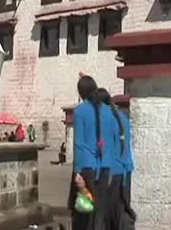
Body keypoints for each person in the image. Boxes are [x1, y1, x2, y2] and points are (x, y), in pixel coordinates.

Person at [68, 75, 121, 230]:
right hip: (105, 167)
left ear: (81, 92)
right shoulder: (109, 111)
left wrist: (77, 172)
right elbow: (112, 142)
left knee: (85, 210)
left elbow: (79, 143)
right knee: (100, 210)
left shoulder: (80, 111)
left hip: (86, 166)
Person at [94, 88, 136, 229]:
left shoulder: (102, 118)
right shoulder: (121, 117)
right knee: (121, 214)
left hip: (109, 174)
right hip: (124, 172)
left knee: (102, 218)